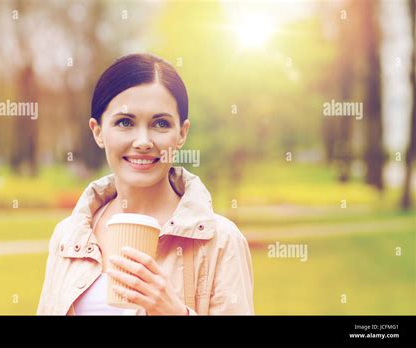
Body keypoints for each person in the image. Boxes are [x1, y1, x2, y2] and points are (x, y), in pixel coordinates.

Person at [37, 53, 254, 315]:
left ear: (182, 133)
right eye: (125, 122)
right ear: (98, 131)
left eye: (160, 123)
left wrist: (173, 312)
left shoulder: (221, 241)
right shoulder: (68, 237)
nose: (143, 141)